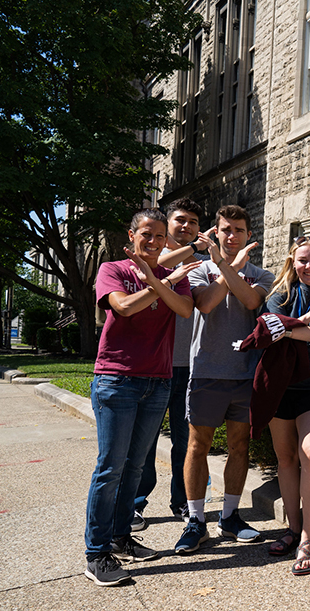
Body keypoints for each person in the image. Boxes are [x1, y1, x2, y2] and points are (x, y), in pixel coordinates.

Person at [83, 209, 199, 585]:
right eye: (146, 234)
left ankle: (119, 538)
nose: (153, 241)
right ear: (132, 235)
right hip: (116, 380)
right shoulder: (113, 270)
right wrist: (153, 281)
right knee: (110, 467)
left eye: (160, 236)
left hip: (158, 383)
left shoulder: (174, 277)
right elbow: (123, 307)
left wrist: (160, 279)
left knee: (134, 467)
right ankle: (96, 553)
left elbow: (184, 309)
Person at [175, 205, 274, 554]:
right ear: (215, 233)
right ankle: (196, 521)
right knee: (197, 447)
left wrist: (225, 265)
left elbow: (249, 301)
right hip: (206, 371)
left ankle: (230, 517)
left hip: (246, 374)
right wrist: (223, 266)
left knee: (239, 447)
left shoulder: (263, 275)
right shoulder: (197, 270)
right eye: (226, 230)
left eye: (238, 230)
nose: (231, 236)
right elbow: (205, 303)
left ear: (249, 236)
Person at [263, 235, 310, 575]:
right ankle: (292, 529)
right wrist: (304, 322)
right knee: (286, 457)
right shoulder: (279, 295)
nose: (309, 267)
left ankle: (308, 537)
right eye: (303, 260)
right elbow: (270, 328)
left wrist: (291, 328)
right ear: (292, 262)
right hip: (280, 386)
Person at [132, 198, 209, 530]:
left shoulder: (205, 263)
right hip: (157, 364)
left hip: (192, 366)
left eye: (194, 221)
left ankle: (183, 502)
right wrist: (191, 248)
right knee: (145, 440)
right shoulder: (156, 259)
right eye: (181, 220)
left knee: (185, 440)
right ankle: (136, 503)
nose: (187, 226)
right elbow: (160, 263)